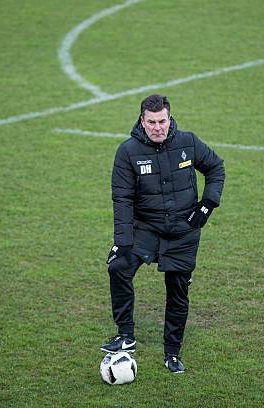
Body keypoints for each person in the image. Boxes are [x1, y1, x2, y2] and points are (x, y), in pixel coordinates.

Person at [101, 94, 225, 373]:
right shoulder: (127, 152)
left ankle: (172, 353)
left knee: (177, 291)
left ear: (170, 119)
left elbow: (216, 167)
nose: (158, 127)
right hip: (145, 228)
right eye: (151, 122)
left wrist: (207, 205)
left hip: (183, 231)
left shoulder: (189, 142)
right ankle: (125, 336)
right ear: (142, 122)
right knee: (118, 267)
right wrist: (122, 242)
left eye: (162, 121)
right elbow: (121, 199)